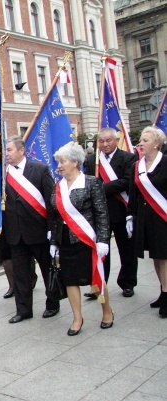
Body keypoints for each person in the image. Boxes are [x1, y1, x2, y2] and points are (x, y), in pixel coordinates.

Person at [50, 143, 113, 336]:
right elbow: (55, 216)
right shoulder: (58, 185)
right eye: (58, 161)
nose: (59, 165)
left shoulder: (91, 182)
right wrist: (53, 241)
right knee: (70, 280)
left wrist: (103, 239)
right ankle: (77, 318)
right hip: (66, 241)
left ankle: (107, 311)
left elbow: (102, 213)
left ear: (75, 162)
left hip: (87, 240)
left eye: (63, 161)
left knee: (95, 280)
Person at [3, 136, 59, 323]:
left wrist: (52, 230)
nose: (7, 154)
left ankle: (53, 303)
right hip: (15, 233)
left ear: (21, 151)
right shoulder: (2, 174)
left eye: (10, 150)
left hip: (39, 231)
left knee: (47, 269)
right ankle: (23, 310)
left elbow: (51, 202)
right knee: (21, 274)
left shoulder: (40, 170)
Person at [83, 127, 138, 298]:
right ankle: (99, 285)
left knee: (127, 250)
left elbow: (127, 182)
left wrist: (100, 188)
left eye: (108, 140)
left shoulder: (128, 158)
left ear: (116, 140)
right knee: (100, 251)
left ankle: (127, 283)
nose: (105, 144)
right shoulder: (92, 160)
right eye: (102, 141)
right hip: (99, 214)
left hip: (121, 211)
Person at [128, 126, 167, 317]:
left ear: (157, 144)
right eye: (140, 140)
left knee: (165, 256)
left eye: (145, 140)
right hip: (145, 217)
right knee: (156, 256)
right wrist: (130, 215)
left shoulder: (165, 162)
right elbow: (133, 193)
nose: (140, 144)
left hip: (163, 217)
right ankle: (163, 291)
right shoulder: (138, 166)